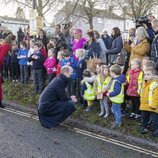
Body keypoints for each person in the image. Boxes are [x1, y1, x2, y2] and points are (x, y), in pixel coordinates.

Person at [140, 67, 158, 136]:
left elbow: (156, 96)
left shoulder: (155, 84)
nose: (146, 76)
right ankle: (144, 127)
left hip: (153, 106)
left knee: (154, 120)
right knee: (144, 118)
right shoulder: (144, 82)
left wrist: (154, 105)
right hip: (144, 105)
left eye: (148, 74)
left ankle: (156, 129)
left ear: (153, 75)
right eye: (145, 74)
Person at [107, 64, 125, 129]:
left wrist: (110, 94)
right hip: (116, 99)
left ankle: (118, 122)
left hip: (116, 99)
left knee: (116, 111)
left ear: (113, 73)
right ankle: (118, 120)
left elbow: (117, 91)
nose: (109, 73)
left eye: (110, 72)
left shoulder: (117, 81)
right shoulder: (119, 78)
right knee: (114, 110)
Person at [0, 34, 16, 108]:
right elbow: (1, 57)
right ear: (12, 40)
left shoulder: (4, 44)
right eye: (14, 41)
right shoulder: (7, 46)